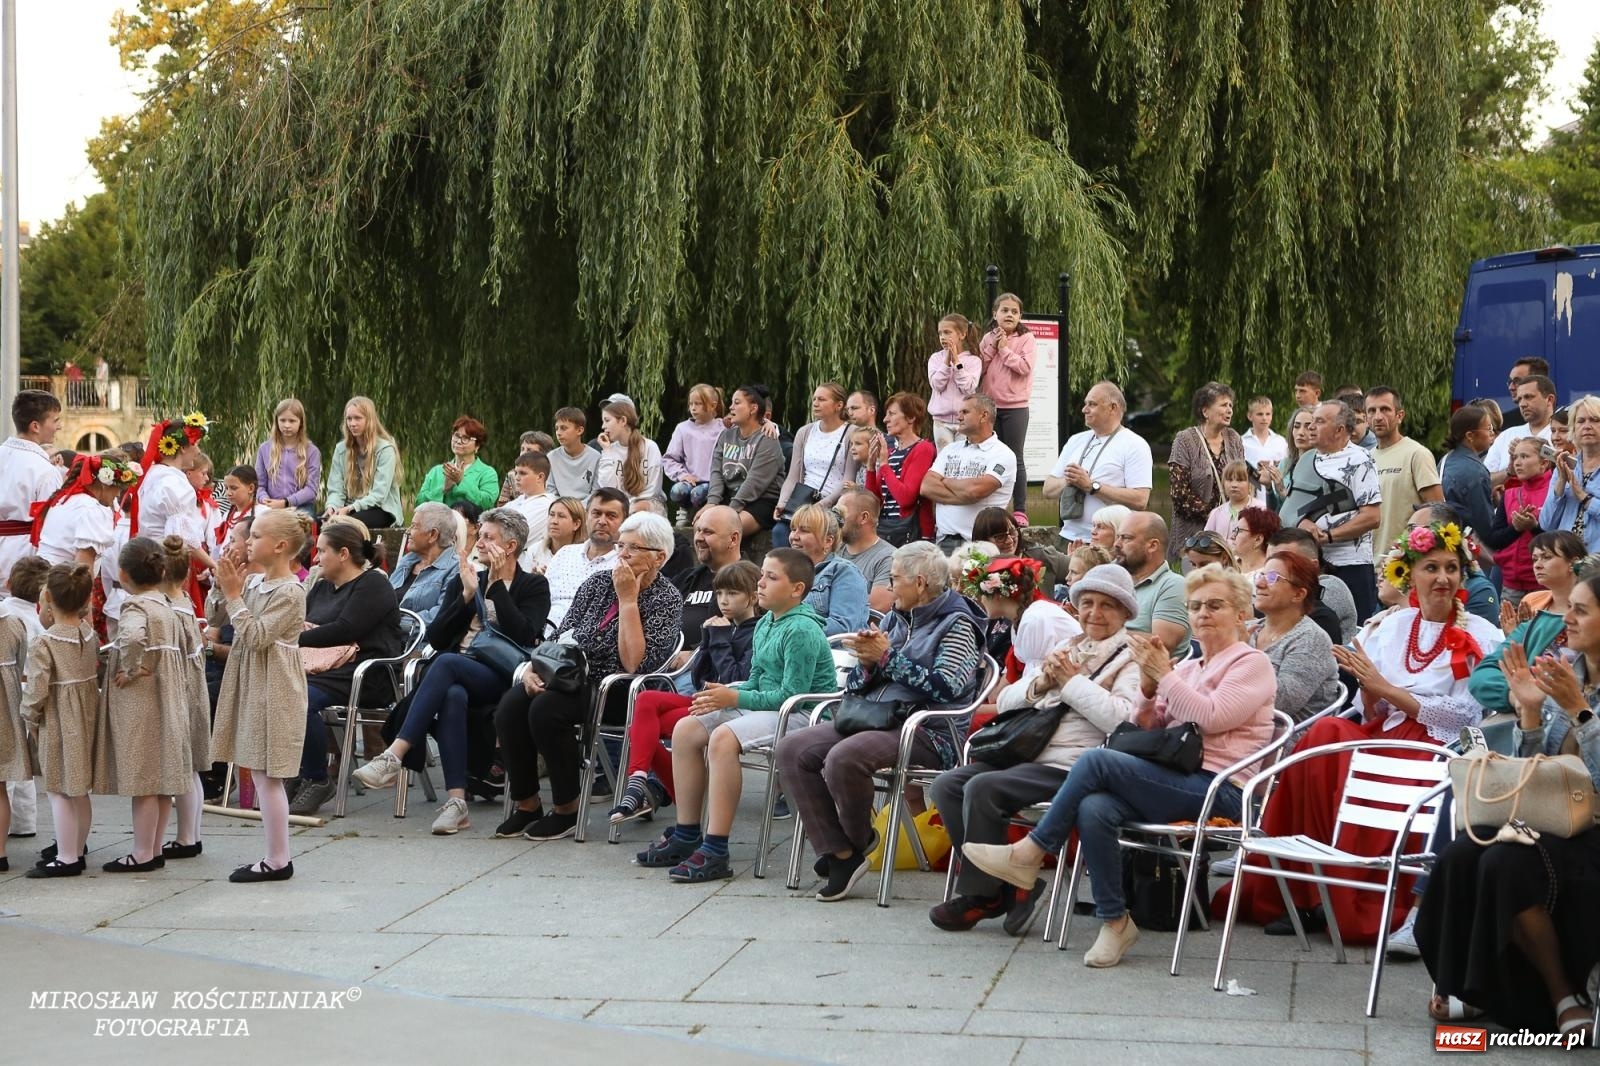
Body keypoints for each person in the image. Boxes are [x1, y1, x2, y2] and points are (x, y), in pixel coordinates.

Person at [961, 565, 1276, 968]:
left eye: (1215, 605)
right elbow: (1144, 727)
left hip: (1222, 790)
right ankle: (1115, 921)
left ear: (1241, 613)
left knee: (1096, 759)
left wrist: (1164, 676)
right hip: (1176, 777)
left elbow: (1211, 718)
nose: (1202, 614)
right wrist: (1149, 688)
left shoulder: (1251, 663)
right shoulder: (1189, 667)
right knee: (1096, 807)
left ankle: (1031, 851)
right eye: (1195, 606)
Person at [1224, 518, 1503, 939]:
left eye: (1451, 568)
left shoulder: (1481, 633)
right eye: (1431, 568)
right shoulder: (1391, 626)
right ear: (1410, 575)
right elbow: (1371, 710)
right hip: (1385, 731)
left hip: (1437, 746)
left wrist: (1384, 687)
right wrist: (1372, 689)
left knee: (1360, 759)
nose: (1443, 578)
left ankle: (1349, 898)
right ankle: (1302, 891)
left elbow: (1465, 716)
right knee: (1326, 734)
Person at [1414, 571, 1600, 1039]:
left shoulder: (1572, 687)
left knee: (1505, 863)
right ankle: (1472, 985)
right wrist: (1531, 713)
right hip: (1552, 817)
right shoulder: (1566, 670)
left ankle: (1563, 995)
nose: (1567, 618)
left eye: (1580, 611)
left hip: (1592, 830)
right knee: (1461, 852)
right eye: (1570, 608)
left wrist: (1580, 713)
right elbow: (1532, 768)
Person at [929, 562, 1144, 932]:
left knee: (983, 788)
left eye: (1107, 605)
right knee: (946, 785)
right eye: (1087, 603)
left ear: (1125, 612)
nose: (1094, 613)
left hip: (1074, 762)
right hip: (1028, 749)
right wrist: (1041, 684)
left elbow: (1122, 720)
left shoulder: (1131, 656)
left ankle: (983, 895)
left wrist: (1071, 684)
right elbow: (1007, 700)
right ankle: (1004, 890)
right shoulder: (1067, 646)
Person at [776, 541, 987, 901]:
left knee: (844, 757)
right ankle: (842, 851)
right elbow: (857, 686)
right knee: (792, 749)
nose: (889, 588)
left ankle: (852, 845)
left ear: (920, 583)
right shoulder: (895, 618)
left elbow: (946, 688)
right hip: (876, 718)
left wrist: (887, 658)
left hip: (927, 731)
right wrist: (867, 663)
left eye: (894, 579)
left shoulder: (959, 624)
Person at [354, 509, 549, 834]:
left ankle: (394, 755)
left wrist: (497, 589)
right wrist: (467, 596)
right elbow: (437, 637)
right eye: (479, 535)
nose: (479, 542)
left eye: (488, 537)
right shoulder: (469, 579)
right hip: (455, 676)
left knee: (445, 664)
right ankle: (457, 804)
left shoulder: (533, 585)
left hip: (502, 675)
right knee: (452, 695)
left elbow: (525, 634)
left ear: (510, 546)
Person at [494, 512, 683, 841]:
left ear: (659, 557)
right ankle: (527, 804)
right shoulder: (597, 583)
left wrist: (628, 600)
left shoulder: (666, 599)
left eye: (633, 548)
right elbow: (563, 634)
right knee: (510, 708)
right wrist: (534, 667)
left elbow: (634, 664)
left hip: (618, 689)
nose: (621, 554)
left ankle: (566, 809)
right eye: (620, 546)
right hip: (570, 675)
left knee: (545, 711)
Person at [208, 511, 311, 881]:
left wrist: (234, 595)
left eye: (255, 536)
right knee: (259, 769)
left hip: (275, 687)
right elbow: (216, 619)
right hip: (253, 681)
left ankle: (278, 860)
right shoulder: (254, 583)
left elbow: (255, 636)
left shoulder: (291, 592)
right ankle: (275, 856)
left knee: (269, 775)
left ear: (280, 546)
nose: (247, 543)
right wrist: (222, 585)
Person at [290, 520, 405, 816]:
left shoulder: (373, 584)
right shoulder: (321, 587)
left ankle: (317, 778)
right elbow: (302, 621)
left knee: (299, 699)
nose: (316, 558)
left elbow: (346, 629)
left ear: (343, 554)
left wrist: (292, 638)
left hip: (365, 673)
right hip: (324, 668)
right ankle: (295, 772)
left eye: (322, 551)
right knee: (279, 691)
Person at [97, 537, 191, 873]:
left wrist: (131, 667)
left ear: (122, 574)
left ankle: (142, 853)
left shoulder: (135, 607)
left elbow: (133, 637)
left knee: (144, 780)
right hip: (168, 695)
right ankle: (154, 847)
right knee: (161, 779)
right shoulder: (166, 605)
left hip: (143, 701)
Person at [20, 564, 100, 877]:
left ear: (49, 599)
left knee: (58, 789)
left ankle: (67, 857)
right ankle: (76, 849)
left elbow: (37, 689)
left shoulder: (46, 643)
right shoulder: (89, 634)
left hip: (58, 721)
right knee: (79, 790)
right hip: (86, 717)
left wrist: (29, 715)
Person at [1468, 530, 1584, 714]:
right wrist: (1516, 696)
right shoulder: (1534, 620)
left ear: (1573, 563)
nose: (1537, 565)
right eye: (1534, 559)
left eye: (1546, 557)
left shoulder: (1592, 617)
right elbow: (1482, 674)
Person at [1297, 399, 1382, 622]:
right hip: (1310, 565)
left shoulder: (1360, 459)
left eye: (1319, 422)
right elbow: (1292, 508)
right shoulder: (1307, 460)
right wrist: (1303, 523)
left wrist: (1328, 537)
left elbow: (1372, 517)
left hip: (1350, 566)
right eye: (1312, 421)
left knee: (1352, 632)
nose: (1310, 427)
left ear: (1339, 430)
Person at [1044, 381, 1153, 547]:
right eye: (1085, 404)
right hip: (1068, 538)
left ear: (1113, 408)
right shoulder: (1075, 440)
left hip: (1109, 544)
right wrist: (1070, 480)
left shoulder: (1135, 444)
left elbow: (1140, 500)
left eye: (1092, 404)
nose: (1084, 409)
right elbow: (1048, 490)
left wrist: (1092, 486)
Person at [958, 553, 1080, 688]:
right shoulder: (1023, 618)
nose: (980, 599)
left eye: (982, 593)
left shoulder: (1034, 618)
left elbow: (1034, 682)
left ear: (998, 595)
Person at [1247, 550, 1341, 719]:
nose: (1259, 583)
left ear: (1298, 594)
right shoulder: (1249, 629)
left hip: (1284, 732)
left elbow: (1281, 702)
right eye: (1261, 575)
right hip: (1236, 721)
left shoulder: (1311, 640)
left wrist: (1238, 653)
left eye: (1272, 577)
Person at [923, 395, 1017, 552]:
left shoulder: (1003, 454)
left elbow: (976, 491)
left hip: (982, 545)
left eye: (965, 412)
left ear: (983, 416)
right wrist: (966, 496)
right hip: (944, 542)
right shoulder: (950, 449)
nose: (958, 417)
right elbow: (926, 487)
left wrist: (946, 481)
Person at [1168, 382, 1245, 565]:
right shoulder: (1185, 440)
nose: (1229, 410)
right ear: (1205, 412)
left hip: (1228, 536)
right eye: (1223, 405)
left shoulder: (1234, 438)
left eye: (1230, 405)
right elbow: (1179, 495)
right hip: (1192, 536)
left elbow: (1242, 479)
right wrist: (1216, 516)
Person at [772, 383, 857, 548]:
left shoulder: (851, 433)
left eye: (822, 399)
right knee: (780, 531)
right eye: (814, 399)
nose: (816, 404)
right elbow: (793, 476)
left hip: (833, 503)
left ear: (839, 405)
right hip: (803, 501)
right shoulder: (805, 432)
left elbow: (848, 479)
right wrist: (782, 503)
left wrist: (823, 504)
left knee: (813, 535)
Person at [977, 292, 1035, 519]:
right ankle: (992, 509)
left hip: (1015, 407)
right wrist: (993, 346)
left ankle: (1020, 510)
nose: (1009, 314)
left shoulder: (1026, 338)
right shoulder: (987, 337)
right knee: (991, 457)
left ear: (1020, 316)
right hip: (990, 408)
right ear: (995, 314)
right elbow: (979, 369)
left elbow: (1024, 367)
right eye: (1004, 310)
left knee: (1015, 457)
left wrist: (1004, 349)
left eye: (1014, 311)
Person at [1367, 386, 1443, 556]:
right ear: (1366, 418)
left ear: (1400, 416)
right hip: (1370, 561)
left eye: (1385, 409)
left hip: (1405, 560)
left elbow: (1438, 511)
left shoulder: (1417, 454)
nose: (1378, 416)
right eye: (1372, 411)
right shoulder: (1365, 459)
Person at [1, 390, 65, 587]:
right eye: (55, 420)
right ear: (35, 426)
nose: (59, 426)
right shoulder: (44, 470)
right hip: (23, 559)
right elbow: (51, 527)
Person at [706, 384, 787, 538]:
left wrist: (729, 512)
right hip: (731, 496)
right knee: (702, 525)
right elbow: (716, 471)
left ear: (753, 408)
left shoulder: (767, 438)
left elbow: (755, 482)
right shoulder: (726, 435)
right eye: (732, 403)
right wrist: (712, 502)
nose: (731, 407)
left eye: (737, 403)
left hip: (761, 501)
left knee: (724, 531)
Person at [1485, 436, 1553, 611]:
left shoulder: (1556, 492)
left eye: (1524, 456)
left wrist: (1534, 528)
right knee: (1510, 629)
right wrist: (1515, 529)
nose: (1517, 462)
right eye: (1515, 457)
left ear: (1544, 463)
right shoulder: (1510, 494)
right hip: (1511, 585)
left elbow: (1562, 539)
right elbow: (1494, 540)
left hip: (1545, 585)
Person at [545, 488, 627, 626]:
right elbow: (541, 599)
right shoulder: (564, 553)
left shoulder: (624, 564)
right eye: (596, 513)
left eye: (611, 516)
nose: (602, 521)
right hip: (543, 633)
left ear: (624, 522)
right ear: (586, 517)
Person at [865, 392, 937, 545]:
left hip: (912, 534)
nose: (885, 419)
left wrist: (884, 465)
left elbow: (906, 499)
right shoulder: (890, 453)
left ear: (910, 418)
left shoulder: (923, 448)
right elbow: (872, 502)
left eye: (892, 414)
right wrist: (870, 468)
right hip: (887, 529)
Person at [1113, 511, 1190, 653]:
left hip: (1143, 665)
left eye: (1126, 538)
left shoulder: (1173, 585)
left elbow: (1162, 643)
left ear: (1152, 546)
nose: (1116, 544)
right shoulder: (1115, 577)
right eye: (1118, 537)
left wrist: (1102, 633)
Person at [787, 504, 869, 637]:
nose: (794, 537)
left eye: (804, 531)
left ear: (828, 541)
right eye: (793, 529)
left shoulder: (844, 572)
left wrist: (789, 631)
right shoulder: (788, 571)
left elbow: (842, 627)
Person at [324, 396, 404, 529]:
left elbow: (379, 495)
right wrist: (332, 506)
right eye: (349, 419)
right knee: (318, 522)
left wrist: (350, 508)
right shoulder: (341, 449)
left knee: (345, 525)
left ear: (369, 420)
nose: (352, 423)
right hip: (349, 507)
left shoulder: (385, 450)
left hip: (381, 509)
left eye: (358, 418)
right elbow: (336, 488)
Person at [1268, 527, 1357, 644]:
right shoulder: (1264, 584)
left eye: (1286, 562)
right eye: (1269, 561)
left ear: (1313, 565)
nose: (1273, 569)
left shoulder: (1330, 587)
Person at [1540, 394, 1600, 553]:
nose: (1587, 426)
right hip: (1566, 559)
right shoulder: (1565, 466)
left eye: (1595, 420)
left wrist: (1584, 497)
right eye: (1580, 421)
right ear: (1573, 429)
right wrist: (1561, 481)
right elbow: (1546, 524)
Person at [389, 502, 461, 625]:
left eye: (414, 526)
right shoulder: (407, 561)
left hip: (413, 635)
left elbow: (437, 616)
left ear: (433, 535)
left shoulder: (455, 569)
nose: (408, 531)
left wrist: (392, 624)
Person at [1438, 404, 1496, 553]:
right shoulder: (1476, 471)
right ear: (1470, 436)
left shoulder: (1445, 460)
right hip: (1469, 550)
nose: (1492, 433)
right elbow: (1485, 526)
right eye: (1488, 428)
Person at [662, 384, 725, 520]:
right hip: (691, 482)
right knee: (677, 491)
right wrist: (683, 475)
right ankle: (685, 510)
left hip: (712, 483)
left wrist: (767, 423)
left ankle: (701, 514)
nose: (693, 408)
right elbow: (670, 458)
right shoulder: (682, 428)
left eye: (698, 404)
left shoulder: (723, 428)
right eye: (691, 404)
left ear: (713, 405)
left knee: (698, 494)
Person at [1485, 373, 1557, 488]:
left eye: (1529, 397)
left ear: (1549, 399)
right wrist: (1509, 471)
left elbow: (1575, 469)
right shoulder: (1506, 436)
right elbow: (1483, 481)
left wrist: (1538, 451)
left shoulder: (1566, 434)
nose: (1522, 404)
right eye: (1519, 399)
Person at [415, 415, 498, 512]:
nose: (458, 441)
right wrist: (443, 489)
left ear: (477, 446)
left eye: (466, 438)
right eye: (456, 436)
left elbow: (487, 503)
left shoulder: (487, 473)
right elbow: (419, 503)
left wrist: (461, 481)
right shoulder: (436, 471)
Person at [254, 398, 322, 514]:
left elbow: (311, 489)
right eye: (282, 420)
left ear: (301, 422)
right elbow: (259, 484)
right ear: (277, 421)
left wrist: (286, 502)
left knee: (298, 523)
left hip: (301, 506)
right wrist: (264, 499)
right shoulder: (264, 449)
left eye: (292, 421)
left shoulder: (312, 451)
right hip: (271, 505)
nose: (286, 425)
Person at [927, 313, 983, 448]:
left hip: (965, 420)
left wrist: (957, 363)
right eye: (940, 333)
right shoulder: (935, 358)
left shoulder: (973, 360)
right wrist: (946, 362)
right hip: (941, 421)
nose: (942, 337)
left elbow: (968, 387)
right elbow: (937, 385)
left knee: (963, 456)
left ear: (962, 335)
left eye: (947, 332)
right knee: (945, 456)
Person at [836, 489, 896, 614]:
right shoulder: (833, 547)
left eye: (841, 514)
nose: (835, 519)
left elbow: (879, 604)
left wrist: (828, 599)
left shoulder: (888, 557)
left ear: (863, 517)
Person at [596, 399, 664, 505]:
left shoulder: (650, 447)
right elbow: (607, 489)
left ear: (623, 421)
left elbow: (653, 490)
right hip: (619, 508)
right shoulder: (610, 451)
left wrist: (630, 506)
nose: (603, 426)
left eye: (607, 420)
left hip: (647, 506)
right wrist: (607, 451)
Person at [503, 451, 556, 572]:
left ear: (540, 477)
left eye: (523, 473)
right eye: (516, 472)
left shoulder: (547, 504)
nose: (517, 477)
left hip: (526, 568)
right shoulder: (516, 502)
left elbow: (516, 536)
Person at [1262, 404, 1317, 519]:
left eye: (1308, 427)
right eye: (1296, 426)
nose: (1300, 432)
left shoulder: (1320, 465)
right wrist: (1268, 487)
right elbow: (1274, 512)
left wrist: (1283, 492)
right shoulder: (1285, 464)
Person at [549, 407, 601, 499]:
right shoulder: (551, 457)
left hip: (588, 506)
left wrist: (579, 506)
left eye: (563, 428)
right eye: (557, 428)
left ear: (579, 430)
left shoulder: (595, 457)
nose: (558, 433)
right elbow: (550, 491)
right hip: (559, 506)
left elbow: (596, 492)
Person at [529, 496, 585, 576]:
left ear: (576, 524)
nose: (554, 521)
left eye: (561, 516)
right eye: (552, 515)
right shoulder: (534, 550)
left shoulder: (585, 556)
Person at [1242, 394, 1288, 488]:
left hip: (1275, 493)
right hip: (1249, 493)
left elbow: (1287, 471)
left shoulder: (1281, 442)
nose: (1264, 418)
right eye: (1260, 414)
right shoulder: (1241, 442)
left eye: (1268, 414)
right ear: (1250, 416)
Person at [1204, 461, 1258, 539]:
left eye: (1240, 480)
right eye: (1229, 480)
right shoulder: (1216, 513)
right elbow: (1206, 540)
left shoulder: (1261, 510)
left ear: (1250, 484)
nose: (1234, 485)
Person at [1227, 506, 1279, 579]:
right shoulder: (1227, 565)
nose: (1232, 536)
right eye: (1235, 530)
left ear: (1258, 539)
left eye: (1239, 531)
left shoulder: (1269, 575)